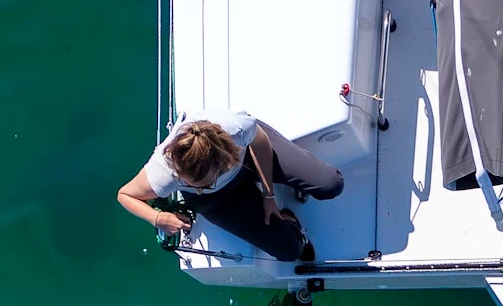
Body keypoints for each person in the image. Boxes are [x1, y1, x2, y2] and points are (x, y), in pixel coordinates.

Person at [115, 110, 345, 263]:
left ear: (224, 162)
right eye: (187, 184)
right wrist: (158, 218)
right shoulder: (164, 171)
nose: (193, 190)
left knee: (331, 184)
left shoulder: (235, 127)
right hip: (217, 199)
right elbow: (125, 195)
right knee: (289, 251)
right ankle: (289, 221)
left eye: (201, 184)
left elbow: (261, 141)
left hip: (249, 160)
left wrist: (268, 194)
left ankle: (286, 182)